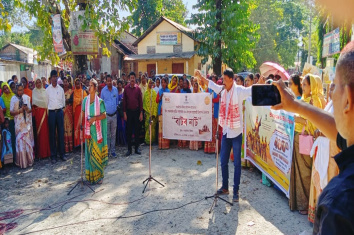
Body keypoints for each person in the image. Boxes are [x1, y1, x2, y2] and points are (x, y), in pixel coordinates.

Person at [198, 68, 252, 202]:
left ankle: (236, 190)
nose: (224, 83)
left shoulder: (239, 90)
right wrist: (201, 76)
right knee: (223, 162)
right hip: (226, 131)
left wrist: (262, 82)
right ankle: (225, 187)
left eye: (226, 80)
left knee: (237, 164)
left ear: (231, 80)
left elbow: (252, 90)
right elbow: (211, 84)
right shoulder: (222, 90)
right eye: (223, 80)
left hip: (237, 132)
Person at [289, 74, 322, 215]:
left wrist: (298, 119)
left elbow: (315, 123)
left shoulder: (315, 101)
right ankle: (298, 203)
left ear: (312, 86)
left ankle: (305, 204)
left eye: (305, 85)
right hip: (298, 138)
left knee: (305, 173)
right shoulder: (303, 100)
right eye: (302, 84)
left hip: (306, 139)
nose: (303, 87)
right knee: (298, 171)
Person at [307, 82, 339, 223]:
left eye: (334, 87)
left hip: (332, 152)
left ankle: (326, 218)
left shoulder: (339, 107)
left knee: (329, 183)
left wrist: (322, 132)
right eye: (330, 87)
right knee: (319, 183)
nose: (331, 90)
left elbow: (338, 131)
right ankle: (318, 216)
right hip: (322, 149)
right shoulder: (330, 104)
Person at [82, 79, 108, 184]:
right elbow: (82, 114)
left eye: (91, 86)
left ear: (95, 88)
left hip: (97, 133)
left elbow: (104, 115)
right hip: (88, 132)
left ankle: (99, 177)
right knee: (89, 153)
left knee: (97, 152)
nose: (89, 87)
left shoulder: (100, 102)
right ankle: (90, 176)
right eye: (88, 85)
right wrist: (79, 127)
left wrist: (94, 119)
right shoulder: (85, 100)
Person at [10, 83, 34, 168]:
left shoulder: (26, 98)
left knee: (27, 142)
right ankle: (21, 163)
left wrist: (27, 109)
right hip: (19, 124)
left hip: (26, 124)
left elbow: (30, 110)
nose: (20, 91)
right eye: (19, 90)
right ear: (16, 90)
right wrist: (19, 111)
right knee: (20, 142)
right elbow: (11, 112)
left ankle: (29, 161)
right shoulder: (13, 99)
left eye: (21, 90)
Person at [47, 70, 66, 163]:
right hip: (51, 113)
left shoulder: (61, 89)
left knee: (61, 133)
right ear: (50, 78)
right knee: (52, 134)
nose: (54, 78)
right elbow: (46, 103)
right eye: (53, 77)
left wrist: (61, 110)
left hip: (59, 112)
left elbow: (63, 102)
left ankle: (62, 154)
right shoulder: (47, 90)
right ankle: (53, 155)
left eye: (56, 77)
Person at [123, 72, 143, 156]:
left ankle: (137, 148)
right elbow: (124, 102)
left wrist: (141, 113)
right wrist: (124, 113)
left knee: (137, 131)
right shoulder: (126, 88)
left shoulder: (138, 89)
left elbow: (140, 102)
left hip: (137, 112)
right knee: (129, 131)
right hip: (129, 112)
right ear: (129, 79)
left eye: (133, 78)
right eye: (131, 77)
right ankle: (129, 149)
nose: (132, 79)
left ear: (135, 79)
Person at [100, 75, 119, 158]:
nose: (109, 82)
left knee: (113, 134)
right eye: (108, 81)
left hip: (114, 115)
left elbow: (117, 101)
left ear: (112, 81)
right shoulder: (103, 91)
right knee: (107, 135)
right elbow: (101, 104)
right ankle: (107, 152)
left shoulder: (115, 90)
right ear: (105, 81)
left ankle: (113, 151)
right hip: (106, 116)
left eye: (110, 80)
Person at [32, 78, 50, 159]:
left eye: (40, 82)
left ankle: (46, 152)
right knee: (39, 134)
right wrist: (41, 104)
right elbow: (34, 102)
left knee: (45, 132)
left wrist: (41, 104)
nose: (38, 84)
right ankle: (40, 153)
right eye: (37, 83)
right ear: (35, 84)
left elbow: (46, 102)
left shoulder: (45, 91)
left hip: (44, 114)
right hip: (38, 115)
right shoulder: (34, 91)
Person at [71, 78, 87, 148]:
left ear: (80, 84)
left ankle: (83, 141)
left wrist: (81, 101)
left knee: (82, 126)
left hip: (82, 111)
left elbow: (86, 100)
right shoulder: (73, 93)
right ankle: (77, 143)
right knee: (77, 127)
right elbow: (73, 101)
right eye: (76, 83)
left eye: (78, 83)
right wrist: (79, 101)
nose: (77, 85)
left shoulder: (83, 92)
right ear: (74, 84)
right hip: (76, 112)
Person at [1, 82, 16, 159]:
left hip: (15, 119)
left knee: (14, 138)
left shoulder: (13, 96)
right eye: (4, 89)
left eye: (7, 88)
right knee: (8, 140)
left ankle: (15, 157)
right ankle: (9, 158)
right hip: (7, 121)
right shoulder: (2, 98)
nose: (6, 90)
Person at [156, 77, 170, 150]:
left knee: (166, 127)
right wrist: (160, 98)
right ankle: (161, 144)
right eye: (162, 83)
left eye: (164, 82)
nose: (163, 84)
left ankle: (166, 144)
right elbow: (156, 101)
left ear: (167, 83)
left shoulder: (168, 91)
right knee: (160, 127)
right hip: (160, 111)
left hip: (167, 112)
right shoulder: (159, 91)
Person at [143, 79, 158, 144]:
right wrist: (147, 112)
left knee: (153, 127)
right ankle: (147, 141)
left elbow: (155, 103)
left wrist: (154, 113)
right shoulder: (146, 93)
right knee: (147, 127)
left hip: (153, 114)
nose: (150, 84)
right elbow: (145, 103)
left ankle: (152, 141)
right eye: (149, 83)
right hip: (147, 113)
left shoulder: (154, 92)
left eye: (151, 83)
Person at [189, 82, 203, 151]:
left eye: (196, 87)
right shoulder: (191, 95)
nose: (195, 88)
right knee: (193, 128)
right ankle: (192, 145)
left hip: (198, 113)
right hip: (192, 113)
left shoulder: (200, 95)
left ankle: (198, 145)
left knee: (197, 128)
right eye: (194, 87)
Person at [63, 77, 74, 153]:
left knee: (69, 129)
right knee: (64, 129)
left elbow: (72, 100)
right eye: (64, 82)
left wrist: (68, 101)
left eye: (66, 82)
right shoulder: (60, 91)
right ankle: (65, 148)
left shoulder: (71, 92)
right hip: (63, 112)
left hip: (69, 112)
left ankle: (70, 147)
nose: (65, 83)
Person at [116, 80, 126, 146]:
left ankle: (124, 141)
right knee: (118, 126)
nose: (119, 86)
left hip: (122, 110)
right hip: (117, 111)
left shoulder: (124, 91)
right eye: (118, 85)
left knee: (123, 126)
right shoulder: (116, 92)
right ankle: (118, 141)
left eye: (120, 85)